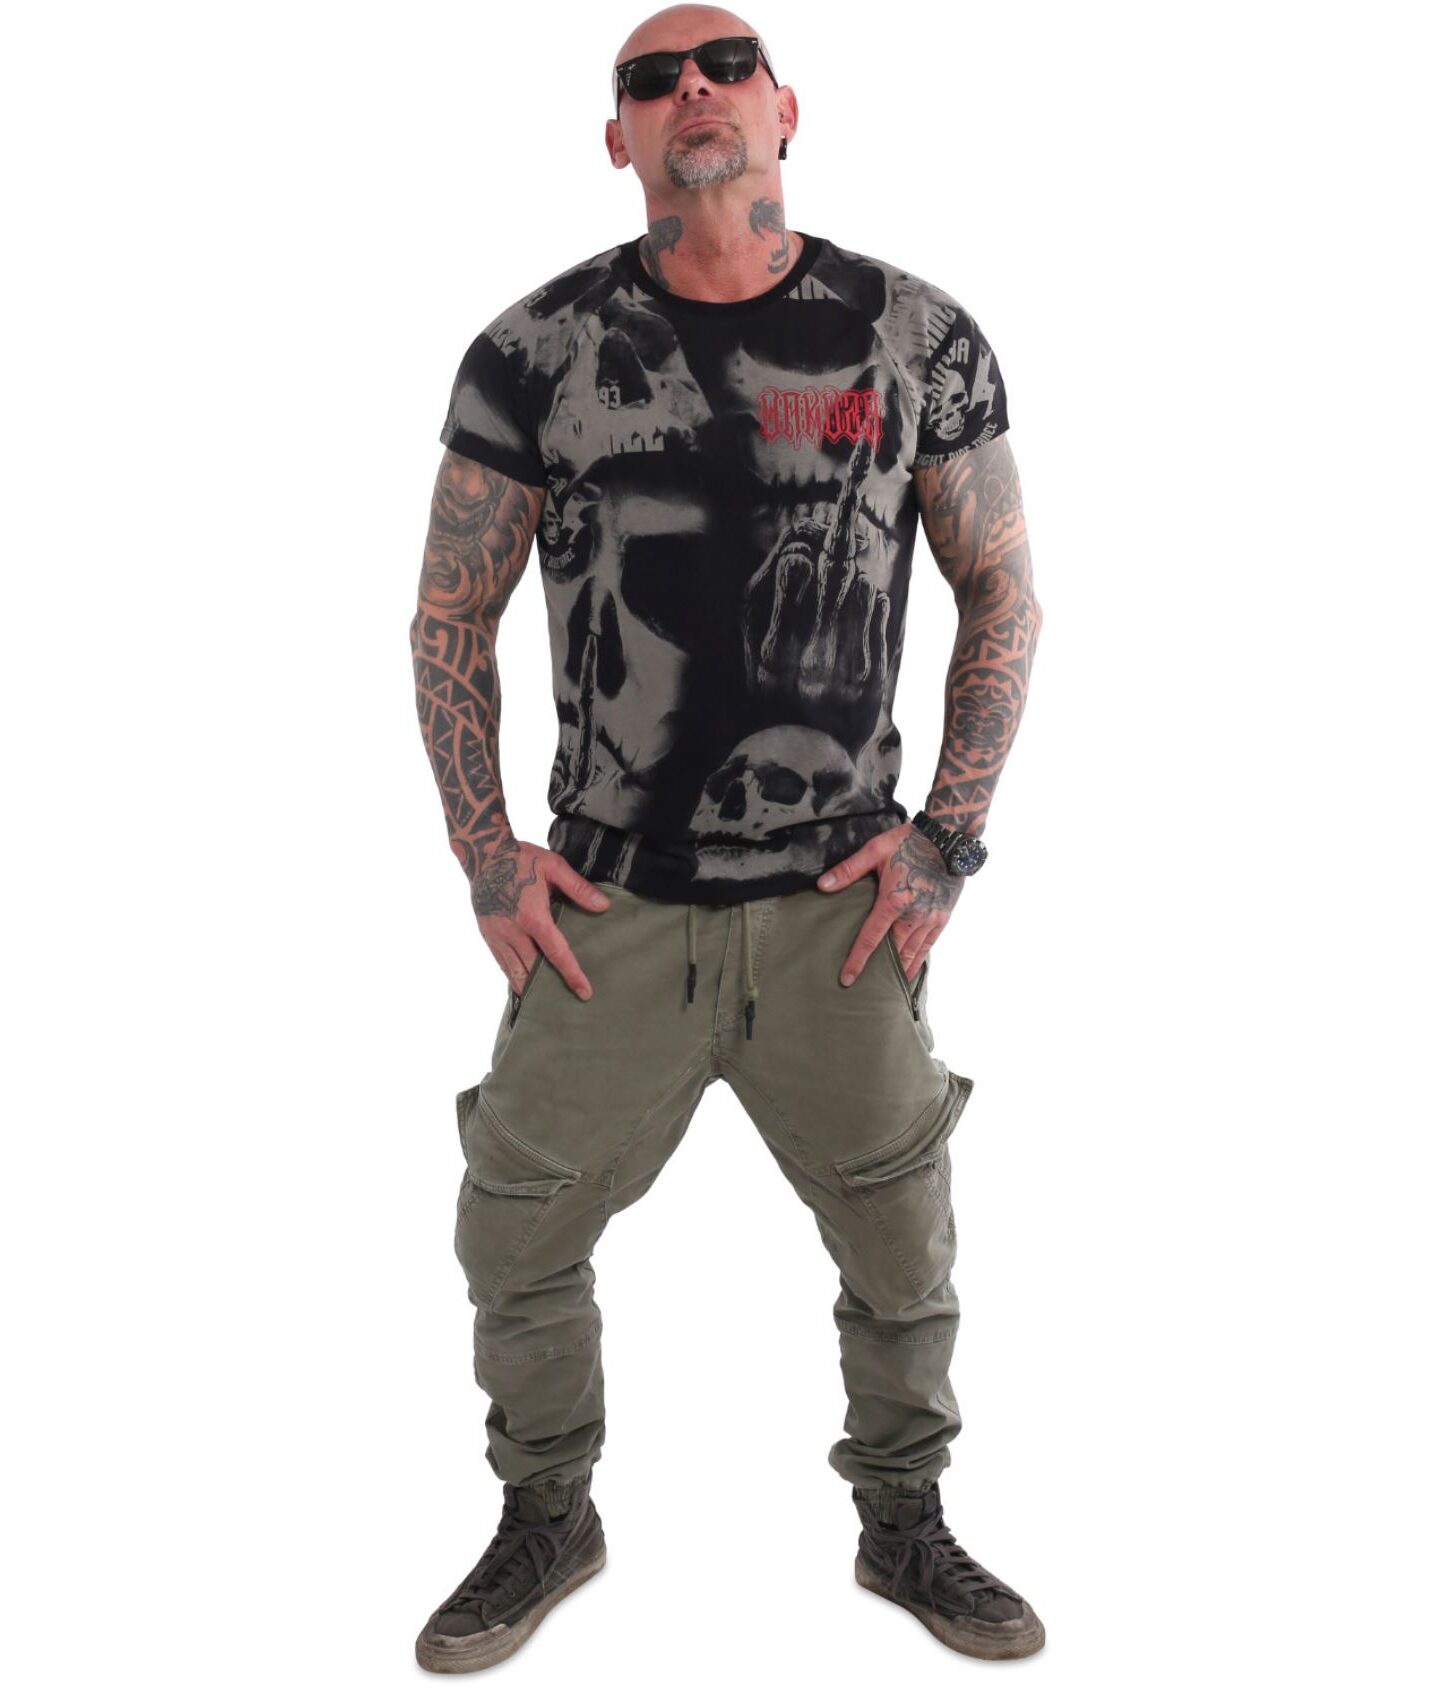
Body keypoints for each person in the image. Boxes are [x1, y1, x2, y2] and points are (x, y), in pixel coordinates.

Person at [408, 4, 1045, 1669]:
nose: (692, 88)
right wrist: (487, 854)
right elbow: (448, 614)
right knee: (514, 1227)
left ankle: (905, 1520)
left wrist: (946, 841)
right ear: (618, 137)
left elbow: (1001, 592)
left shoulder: (913, 338)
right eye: (651, 78)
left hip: (842, 906)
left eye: (726, 64)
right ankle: (547, 1508)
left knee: (901, 1239)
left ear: (785, 110)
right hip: (610, 906)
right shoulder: (536, 352)